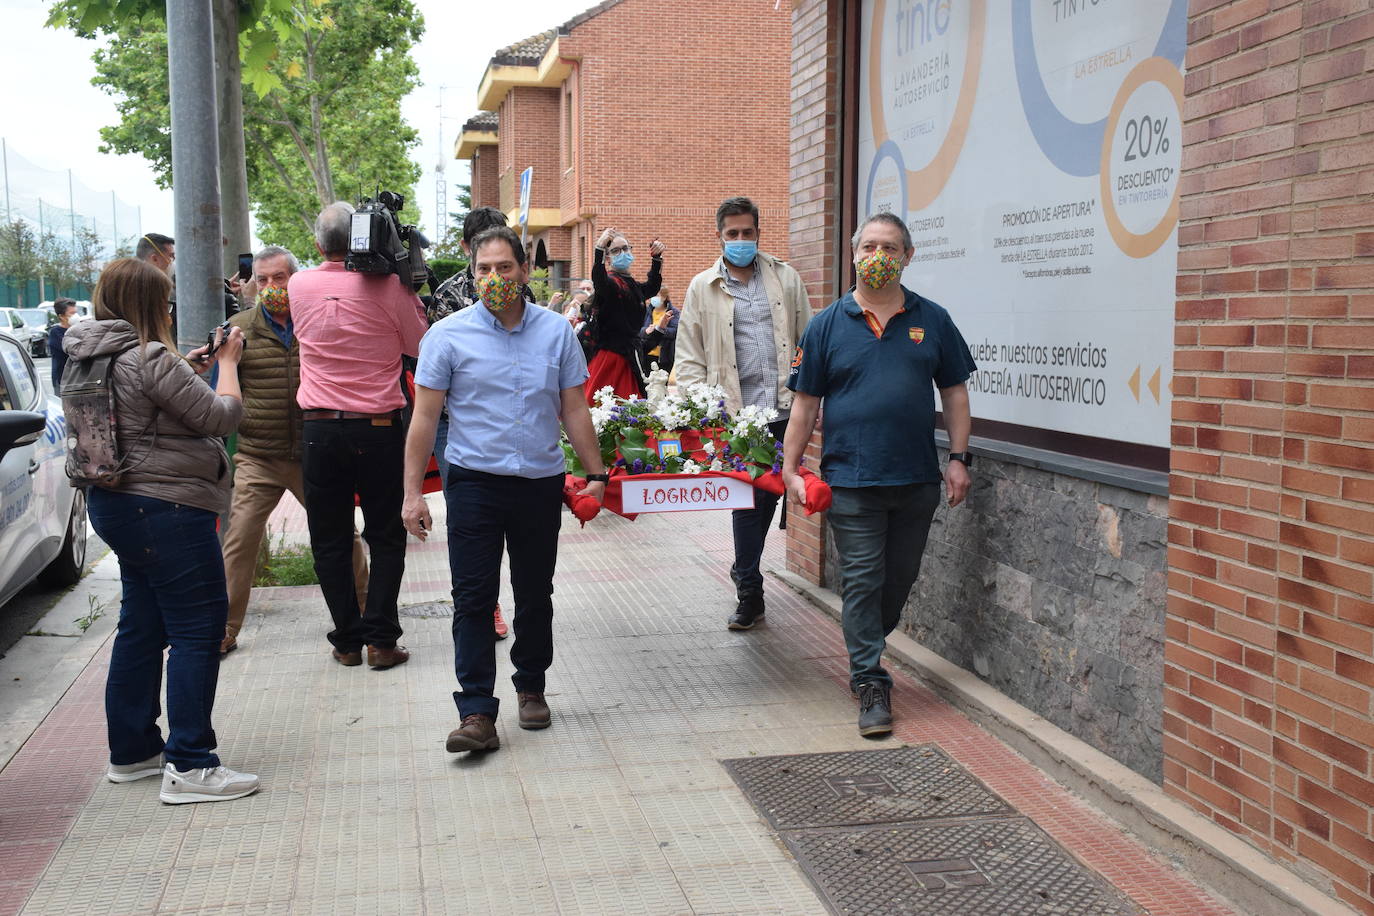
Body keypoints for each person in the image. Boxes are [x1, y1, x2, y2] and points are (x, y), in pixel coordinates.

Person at [402, 226, 608, 754]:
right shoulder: (446, 336)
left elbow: (574, 408)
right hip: (473, 482)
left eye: (505, 268)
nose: (495, 278)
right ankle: (475, 711)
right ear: (472, 275)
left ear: (523, 271)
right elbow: (424, 419)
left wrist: (597, 474)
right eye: (484, 270)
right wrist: (412, 493)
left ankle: (531, 685)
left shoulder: (556, 332)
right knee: (472, 597)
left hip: (538, 482)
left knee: (535, 592)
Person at [63, 257, 258, 804]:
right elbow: (221, 417)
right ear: (153, 304)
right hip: (167, 507)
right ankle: (192, 765)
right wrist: (227, 366)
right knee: (199, 628)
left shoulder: (85, 356)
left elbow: (144, 411)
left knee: (142, 625)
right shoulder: (149, 356)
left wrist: (187, 368)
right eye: (166, 298)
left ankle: (133, 753)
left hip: (115, 504)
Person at [782, 212, 976, 737]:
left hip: (915, 481)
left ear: (908, 256)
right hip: (851, 482)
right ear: (853, 255)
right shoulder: (826, 325)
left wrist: (959, 458)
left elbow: (955, 393)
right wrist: (791, 469)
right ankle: (869, 678)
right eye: (868, 246)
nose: (877, 255)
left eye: (889, 246)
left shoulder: (932, 320)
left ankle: (867, 640)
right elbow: (804, 405)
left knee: (898, 581)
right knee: (864, 580)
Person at [290, 202, 428, 670]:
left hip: (319, 429)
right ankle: (381, 643)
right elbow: (417, 347)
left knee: (329, 538)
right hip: (378, 429)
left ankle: (347, 641)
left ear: (316, 245)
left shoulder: (297, 284)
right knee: (386, 537)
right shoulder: (390, 287)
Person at [216, 246, 370, 655]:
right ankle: (225, 629)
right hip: (258, 456)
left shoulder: (316, 320)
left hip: (313, 453)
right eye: (262, 280)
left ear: (295, 279)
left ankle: (365, 614)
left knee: (343, 536)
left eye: (279, 278)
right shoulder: (239, 328)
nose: (271, 287)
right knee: (240, 538)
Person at [676, 196, 812, 631]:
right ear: (718, 236)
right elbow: (690, 354)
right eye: (731, 234)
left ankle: (745, 573)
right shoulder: (703, 286)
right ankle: (749, 590)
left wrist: (810, 396)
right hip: (734, 413)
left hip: (784, 409)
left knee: (767, 495)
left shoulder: (785, 279)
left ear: (758, 233)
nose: (739, 240)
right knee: (747, 499)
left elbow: (808, 339)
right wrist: (704, 410)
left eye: (746, 233)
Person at [425, 205, 520, 640]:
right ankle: (485, 605)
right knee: (468, 520)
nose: (495, 274)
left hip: (512, 425)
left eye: (505, 262)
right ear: (468, 248)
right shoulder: (446, 297)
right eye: (484, 258)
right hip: (456, 426)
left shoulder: (523, 295)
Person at [587, 226, 663, 400]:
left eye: (626, 248)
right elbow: (599, 280)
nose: (623, 253)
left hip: (629, 355)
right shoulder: (611, 284)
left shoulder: (631, 284)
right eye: (616, 250)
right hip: (611, 357)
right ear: (608, 257)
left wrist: (656, 259)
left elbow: (652, 287)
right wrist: (599, 247)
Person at [637, 292, 678, 376]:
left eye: (658, 295)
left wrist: (659, 329)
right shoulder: (646, 311)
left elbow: (675, 331)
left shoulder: (673, 312)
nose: (655, 297)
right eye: (654, 295)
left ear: (665, 297)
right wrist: (646, 330)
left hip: (664, 356)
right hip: (647, 353)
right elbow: (637, 330)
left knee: (662, 383)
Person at [48, 298, 76, 391]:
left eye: (76, 312)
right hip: (62, 380)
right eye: (72, 313)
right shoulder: (55, 332)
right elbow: (72, 350)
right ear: (61, 316)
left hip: (78, 379)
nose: (75, 316)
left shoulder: (79, 329)